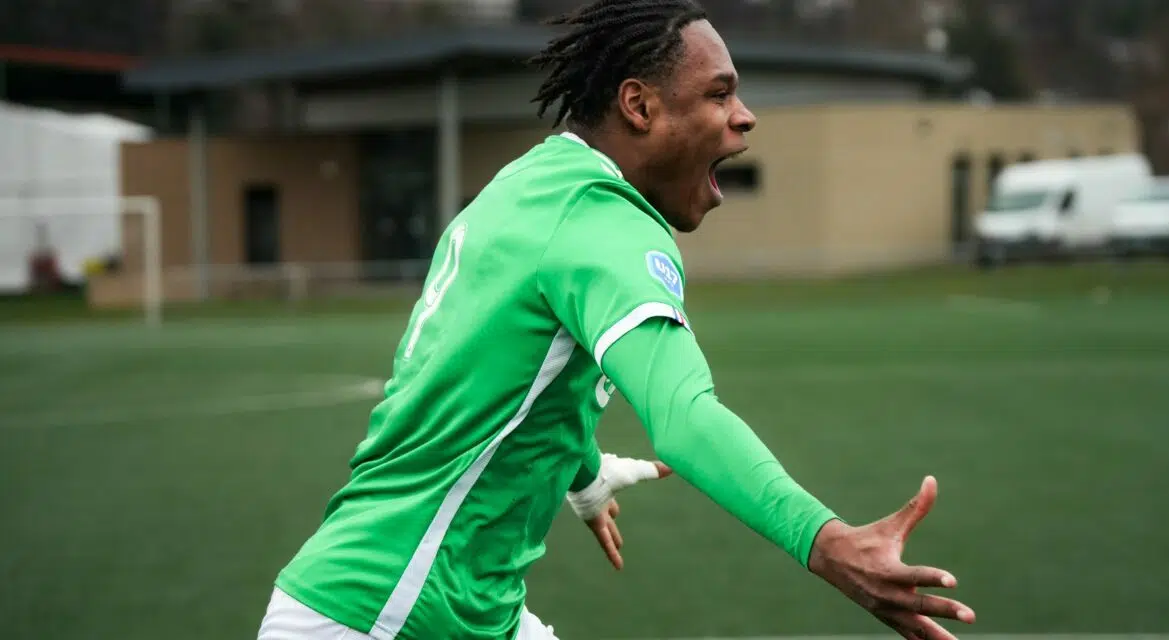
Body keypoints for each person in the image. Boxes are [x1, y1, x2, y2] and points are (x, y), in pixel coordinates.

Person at [257, 1, 977, 638]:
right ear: (640, 106)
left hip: (445, 606)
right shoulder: (607, 226)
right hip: (382, 612)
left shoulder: (528, 188)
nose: (744, 114)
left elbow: (494, 370)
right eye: (719, 93)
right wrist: (827, 542)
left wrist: (579, 466)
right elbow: (685, 417)